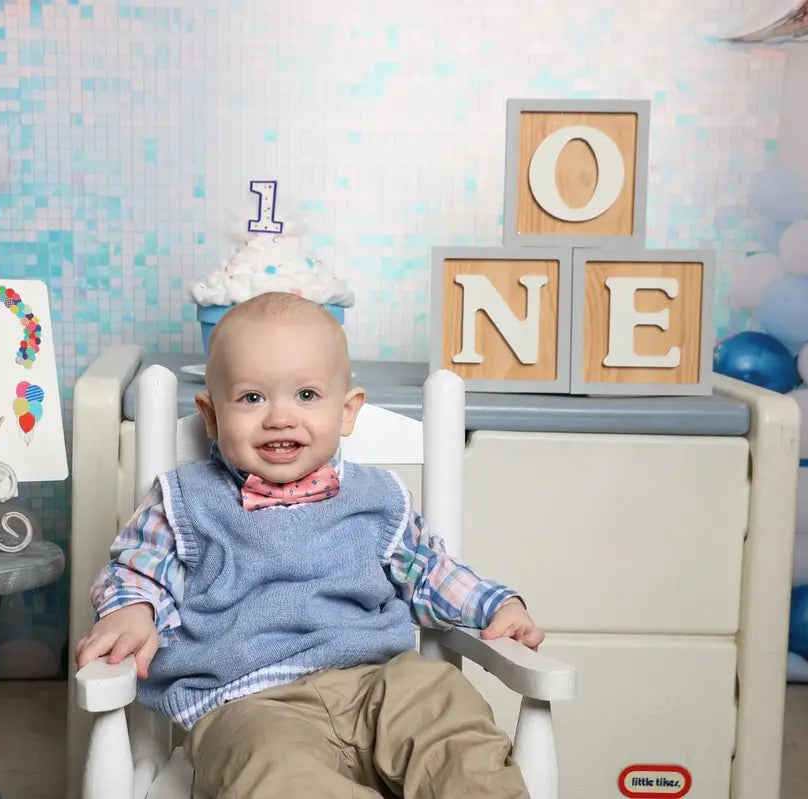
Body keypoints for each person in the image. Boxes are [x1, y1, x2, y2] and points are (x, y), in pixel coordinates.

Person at [76, 291, 544, 798]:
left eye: (306, 395)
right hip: (248, 703)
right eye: (252, 398)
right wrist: (131, 611)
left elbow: (429, 569)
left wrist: (496, 605)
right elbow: (139, 570)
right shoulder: (185, 501)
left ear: (347, 412)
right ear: (211, 418)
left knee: (447, 708)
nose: (280, 416)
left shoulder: (378, 498)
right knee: (274, 773)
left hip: (379, 680)